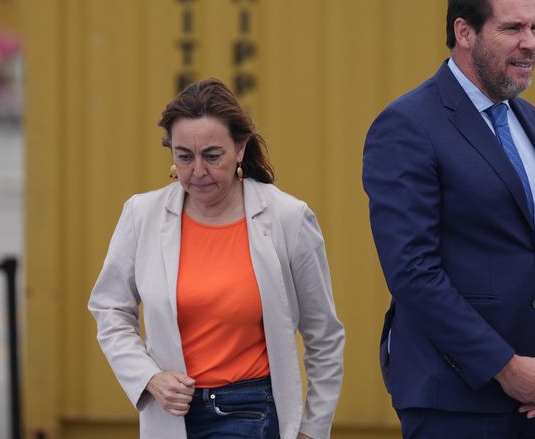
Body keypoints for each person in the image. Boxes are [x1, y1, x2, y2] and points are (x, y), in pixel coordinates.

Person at [362, 0, 535, 438]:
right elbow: (412, 272)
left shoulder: (533, 122)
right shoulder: (407, 125)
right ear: (464, 32)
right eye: (512, 28)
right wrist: (504, 366)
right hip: (454, 399)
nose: (530, 43)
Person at [89, 78, 344, 439]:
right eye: (184, 156)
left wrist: (312, 431)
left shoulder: (288, 218)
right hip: (169, 414)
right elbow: (109, 308)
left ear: (240, 148)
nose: (197, 171)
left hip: (251, 412)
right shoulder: (141, 215)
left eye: (212, 156)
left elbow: (324, 336)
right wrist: (149, 378)